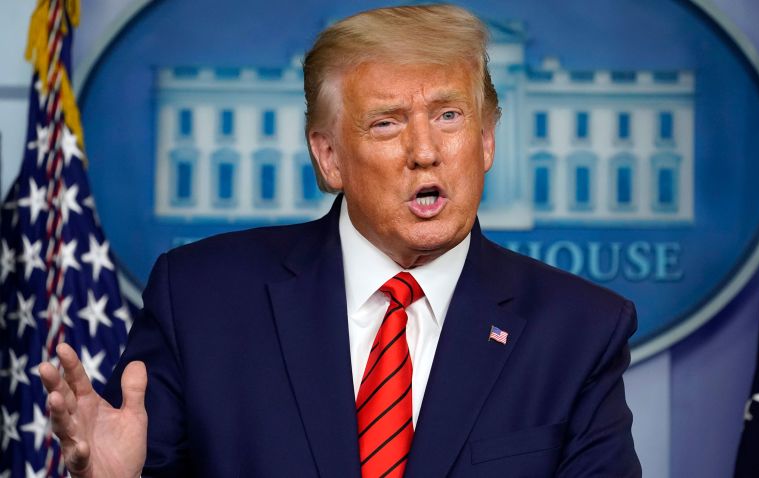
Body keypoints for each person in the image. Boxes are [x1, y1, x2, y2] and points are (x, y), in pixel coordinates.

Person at [39, 4, 641, 477]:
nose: (425, 151)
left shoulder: (579, 330)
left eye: (450, 116)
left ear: (486, 141)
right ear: (328, 158)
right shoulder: (201, 299)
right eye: (387, 123)